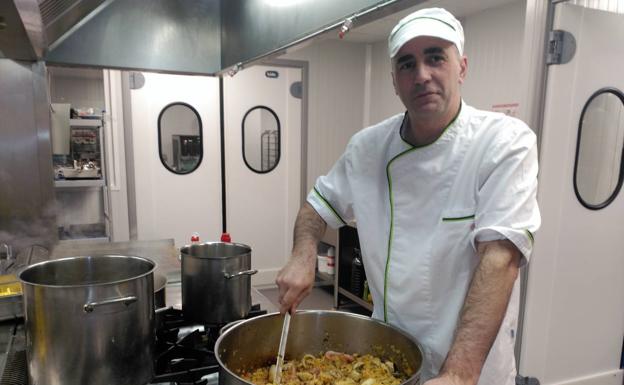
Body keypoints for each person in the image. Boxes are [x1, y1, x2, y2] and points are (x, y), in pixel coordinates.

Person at [276, 7, 540, 385]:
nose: (422, 75)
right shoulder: (367, 148)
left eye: (435, 57)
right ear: (394, 81)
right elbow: (316, 207)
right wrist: (302, 255)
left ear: (461, 67)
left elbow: (501, 258)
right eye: (407, 64)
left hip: (473, 370)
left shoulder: (503, 143)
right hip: (388, 360)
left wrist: (458, 374)